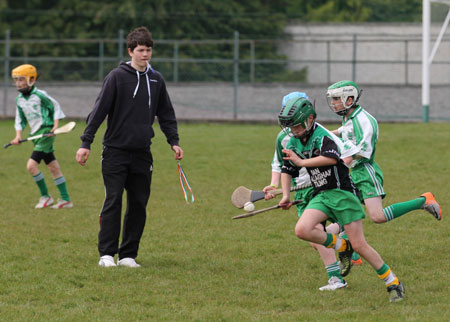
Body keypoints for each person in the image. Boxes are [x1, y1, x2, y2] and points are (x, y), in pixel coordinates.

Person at [278, 96, 405, 303]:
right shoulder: (293, 140)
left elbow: (331, 158)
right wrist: (285, 195)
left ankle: (392, 281)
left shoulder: (322, 136)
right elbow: (286, 169)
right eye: (289, 127)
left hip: (344, 195)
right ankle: (342, 246)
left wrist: (302, 161)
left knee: (361, 245)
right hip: (323, 196)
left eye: (296, 126)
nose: (293, 131)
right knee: (303, 230)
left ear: (310, 119)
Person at [75, 26, 183, 268]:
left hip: (142, 154)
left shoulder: (156, 80)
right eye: (141, 50)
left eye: (148, 50)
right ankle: (106, 255)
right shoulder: (116, 77)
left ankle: (127, 256)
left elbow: (166, 113)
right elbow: (98, 111)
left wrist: (173, 141)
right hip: (115, 152)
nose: (145, 54)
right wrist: (86, 143)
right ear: (131, 51)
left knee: (138, 204)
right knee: (113, 200)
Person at [263, 91, 360, 290]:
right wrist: (275, 187)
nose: (293, 127)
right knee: (314, 237)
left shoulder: (319, 132)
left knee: (314, 233)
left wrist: (342, 166)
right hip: (302, 190)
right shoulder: (284, 137)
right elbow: (280, 165)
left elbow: (348, 152)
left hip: (323, 187)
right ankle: (342, 240)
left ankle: (337, 276)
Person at [326, 80, 442, 224]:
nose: (332, 103)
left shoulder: (364, 121)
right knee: (346, 211)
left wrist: (338, 159)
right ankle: (343, 242)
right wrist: (324, 136)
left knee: (377, 216)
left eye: (336, 99)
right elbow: (345, 131)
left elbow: (364, 150)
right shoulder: (349, 117)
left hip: (365, 173)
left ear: (349, 100)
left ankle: (423, 201)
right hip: (354, 172)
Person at [9, 64, 73, 209]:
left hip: (46, 133)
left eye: (21, 79)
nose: (18, 83)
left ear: (31, 79)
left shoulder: (40, 95)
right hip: (35, 135)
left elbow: (55, 106)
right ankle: (66, 199)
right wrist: (17, 136)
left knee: (31, 166)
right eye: (16, 80)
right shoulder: (19, 100)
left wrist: (55, 126)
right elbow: (20, 119)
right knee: (53, 167)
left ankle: (46, 197)